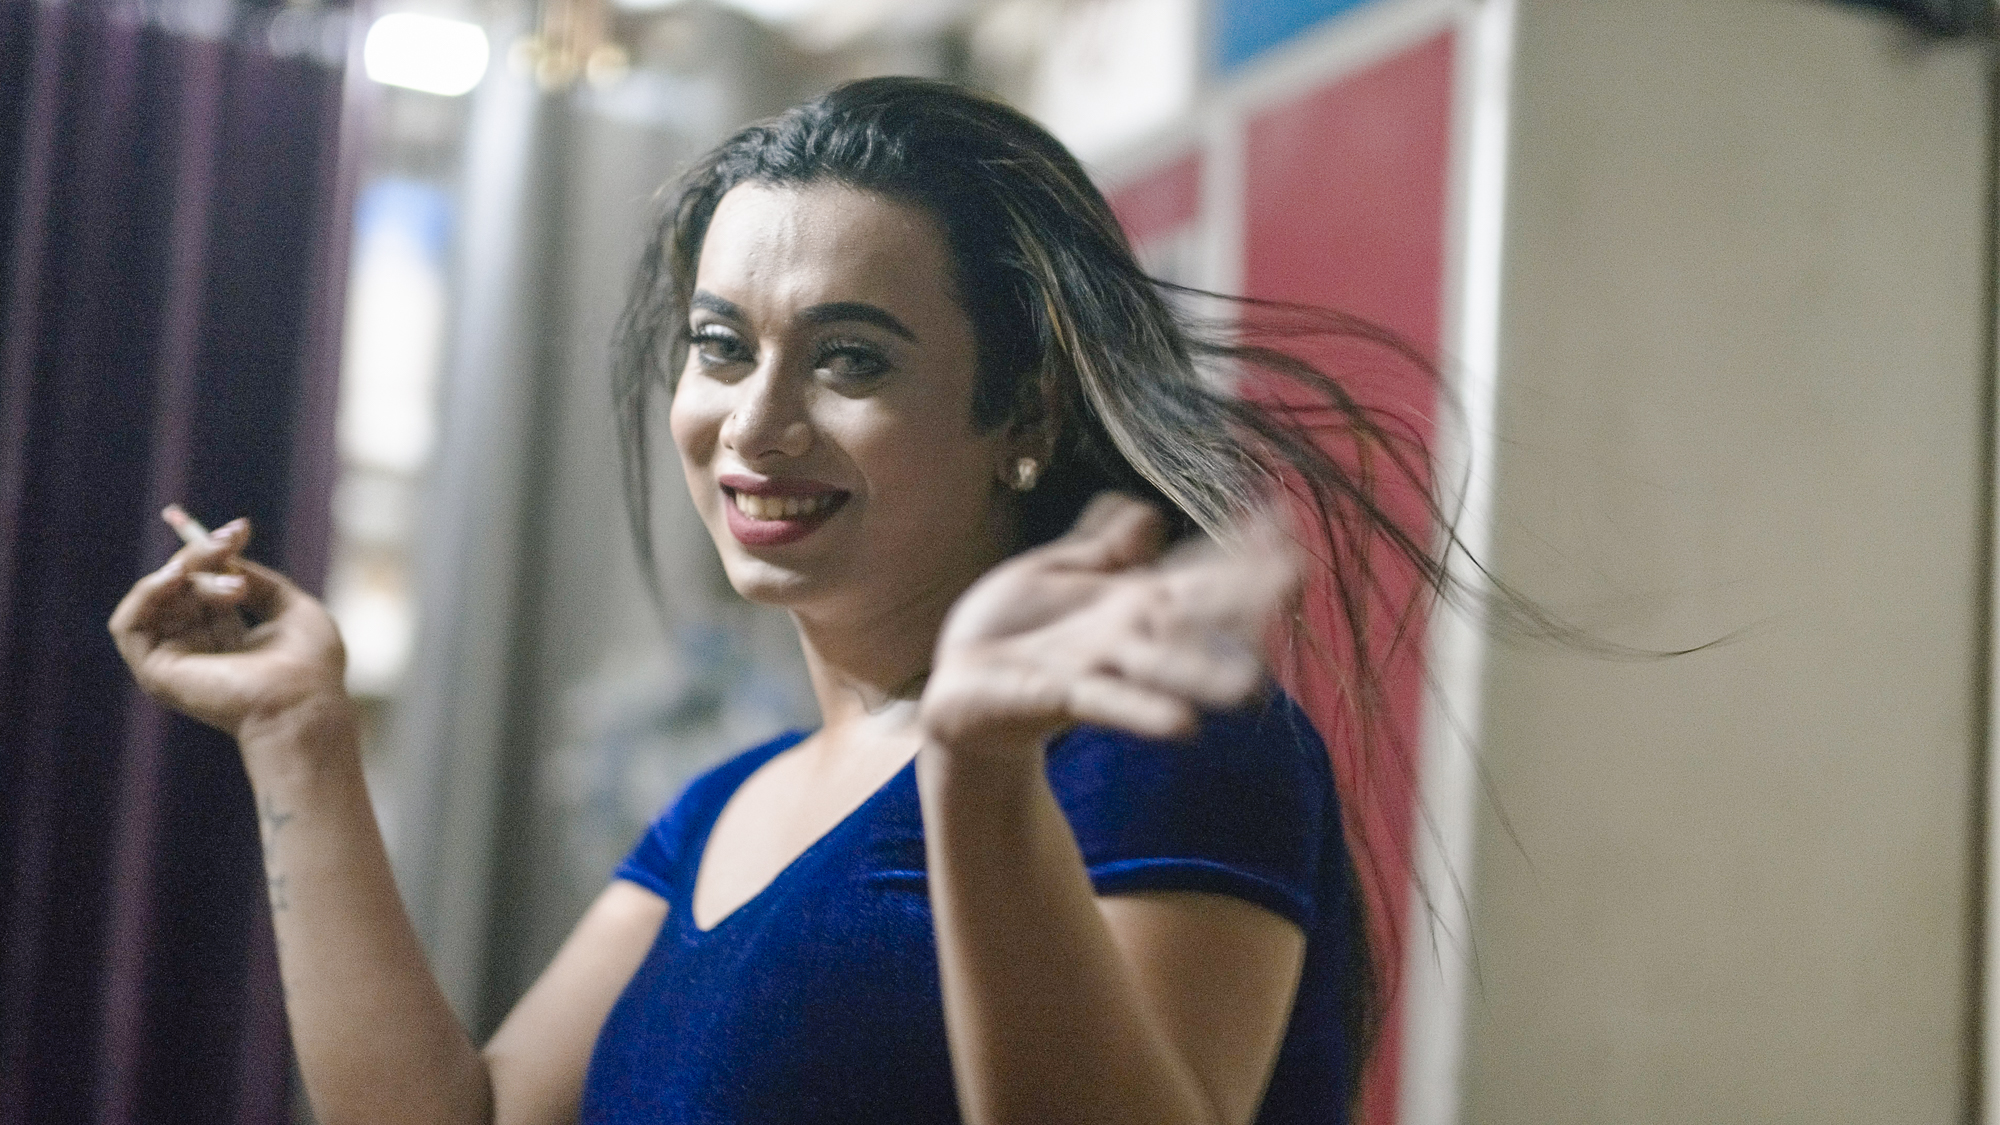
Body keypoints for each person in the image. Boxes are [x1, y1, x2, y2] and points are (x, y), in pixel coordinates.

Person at [109, 77, 1445, 1125]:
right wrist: (297, 731)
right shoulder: (719, 810)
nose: (756, 424)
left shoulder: (1153, 747)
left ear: (1026, 412)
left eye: (851, 358)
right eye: (722, 346)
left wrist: (979, 776)